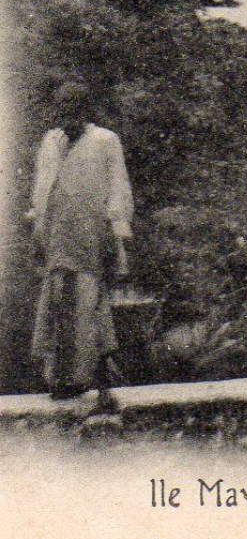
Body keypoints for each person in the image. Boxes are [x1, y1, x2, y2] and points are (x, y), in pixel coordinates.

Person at [26, 82, 134, 401]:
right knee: (58, 301)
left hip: (91, 235)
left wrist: (119, 237)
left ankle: (99, 379)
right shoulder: (51, 140)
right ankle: (62, 380)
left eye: (73, 108)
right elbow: (41, 190)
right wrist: (38, 232)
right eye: (61, 108)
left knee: (90, 302)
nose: (66, 115)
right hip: (57, 235)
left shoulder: (105, 141)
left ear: (85, 111)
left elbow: (118, 188)